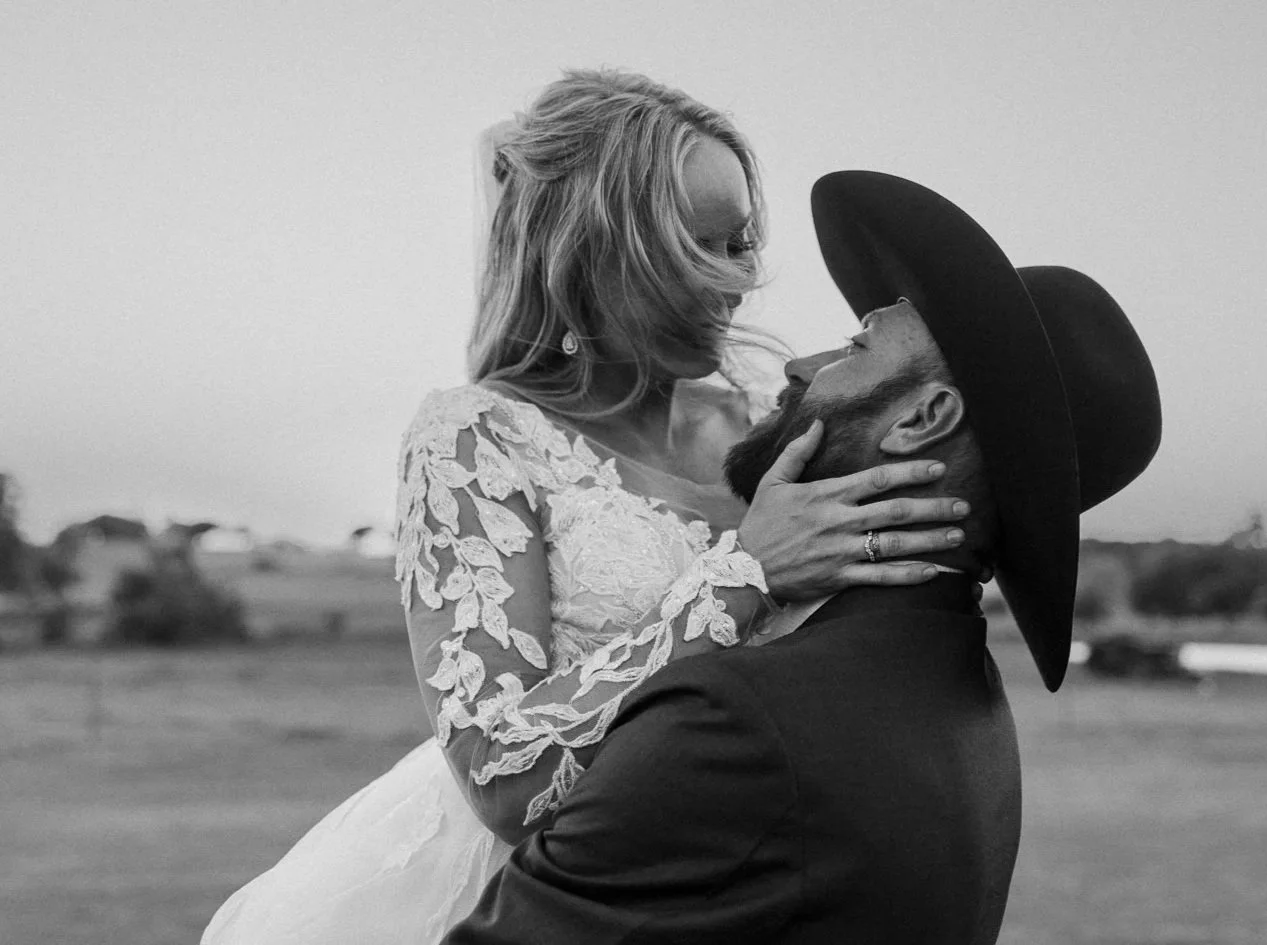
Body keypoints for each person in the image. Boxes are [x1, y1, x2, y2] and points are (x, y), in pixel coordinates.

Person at [201, 73, 973, 944]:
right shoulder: (473, 440)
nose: (741, 279)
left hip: (746, 871)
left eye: (742, 240)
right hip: (541, 895)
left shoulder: (768, 408)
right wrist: (741, 576)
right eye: (701, 247)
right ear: (595, 250)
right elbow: (497, 772)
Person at [446, 170, 1163, 944]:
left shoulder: (734, 723)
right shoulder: (969, 709)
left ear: (922, 418)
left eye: (855, 347)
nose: (795, 367)